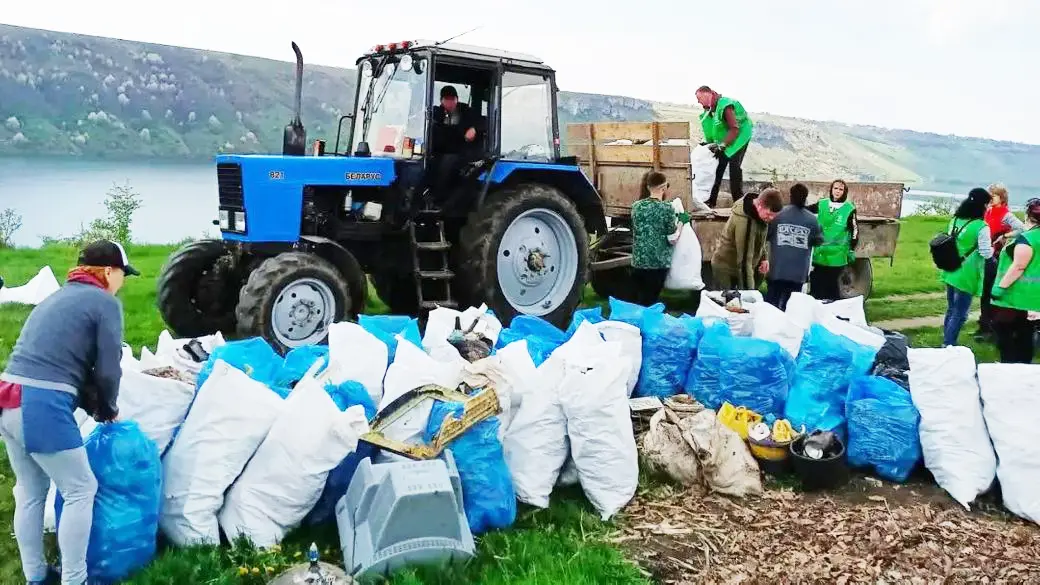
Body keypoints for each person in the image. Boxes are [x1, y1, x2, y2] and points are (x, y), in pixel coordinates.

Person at [0, 240, 137, 585]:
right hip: (40, 405)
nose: (123, 282)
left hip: (8, 397)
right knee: (80, 488)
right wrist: (107, 408)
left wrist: (95, 403)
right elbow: (108, 368)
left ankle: (36, 577)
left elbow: (67, 360)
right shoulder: (104, 302)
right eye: (123, 274)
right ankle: (75, 580)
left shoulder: (56, 297)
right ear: (108, 271)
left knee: (30, 490)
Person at [938, 188, 993, 347]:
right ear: (982, 205)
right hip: (967, 273)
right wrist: (994, 250)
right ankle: (948, 344)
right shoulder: (981, 227)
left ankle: (946, 341)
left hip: (950, 268)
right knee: (960, 313)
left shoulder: (955, 220)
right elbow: (985, 253)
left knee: (951, 309)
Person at [974, 183, 1027, 340]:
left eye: (994, 195)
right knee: (984, 292)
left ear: (1002, 198)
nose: (990, 198)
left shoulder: (1006, 215)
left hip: (997, 256)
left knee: (991, 290)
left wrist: (1005, 236)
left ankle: (991, 328)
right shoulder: (988, 211)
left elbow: (1022, 229)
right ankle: (984, 324)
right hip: (985, 253)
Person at [990, 198, 1040, 363]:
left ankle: (1010, 366)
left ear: (1028, 215)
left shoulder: (1028, 239)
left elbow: (1019, 266)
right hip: (1034, 296)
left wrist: (999, 288)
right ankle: (1023, 367)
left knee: (1004, 329)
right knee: (1025, 332)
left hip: (1016, 294)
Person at [710, 188, 783, 291]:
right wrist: (749, 293)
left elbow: (760, 240)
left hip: (743, 267)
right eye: (769, 214)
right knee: (730, 303)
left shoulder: (760, 216)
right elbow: (744, 262)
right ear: (760, 206)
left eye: (774, 216)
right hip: (727, 269)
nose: (771, 219)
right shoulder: (745, 222)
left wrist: (764, 258)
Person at [765, 183, 823, 310]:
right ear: (805, 198)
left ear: (790, 196)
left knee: (770, 308)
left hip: (777, 270)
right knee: (791, 308)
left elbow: (767, 235)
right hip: (798, 274)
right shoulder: (812, 220)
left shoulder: (778, 215)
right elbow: (818, 240)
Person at [630, 171, 684, 306]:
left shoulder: (636, 206)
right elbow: (672, 238)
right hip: (657, 263)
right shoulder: (666, 209)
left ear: (648, 186)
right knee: (651, 301)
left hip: (638, 261)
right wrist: (682, 221)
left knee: (641, 299)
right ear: (664, 187)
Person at [695, 86, 753, 208]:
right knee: (717, 167)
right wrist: (710, 144)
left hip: (739, 137)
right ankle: (711, 202)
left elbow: (734, 128)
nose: (698, 102)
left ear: (709, 94)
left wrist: (723, 145)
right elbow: (713, 129)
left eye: (699, 98)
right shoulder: (711, 109)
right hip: (727, 139)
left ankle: (739, 204)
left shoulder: (725, 106)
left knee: (734, 168)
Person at [428, 85, 484, 211]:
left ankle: (440, 201)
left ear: (457, 99)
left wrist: (474, 129)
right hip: (440, 150)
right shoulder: (435, 113)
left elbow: (483, 121)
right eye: (446, 99)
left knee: (448, 162)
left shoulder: (466, 111)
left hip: (463, 151)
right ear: (441, 101)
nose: (450, 102)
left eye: (452, 99)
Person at [807, 179, 858, 301]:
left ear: (844, 192)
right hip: (819, 253)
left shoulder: (849, 209)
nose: (837, 191)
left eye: (841, 189)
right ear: (831, 189)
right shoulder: (822, 204)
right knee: (816, 284)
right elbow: (805, 210)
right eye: (835, 188)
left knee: (831, 286)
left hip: (837, 255)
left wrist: (851, 249)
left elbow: (855, 231)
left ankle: (833, 313)